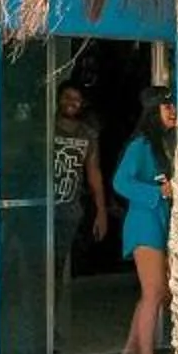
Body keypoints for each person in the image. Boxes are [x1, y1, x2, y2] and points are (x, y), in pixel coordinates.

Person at [112, 89, 176, 354]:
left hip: (158, 220)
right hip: (143, 221)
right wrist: (157, 192)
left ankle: (131, 349)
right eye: (166, 106)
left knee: (154, 292)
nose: (173, 110)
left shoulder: (163, 143)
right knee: (155, 292)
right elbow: (120, 182)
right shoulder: (140, 145)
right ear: (153, 111)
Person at [49, 78, 110, 287]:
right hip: (40, 208)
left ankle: (52, 313)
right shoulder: (45, 128)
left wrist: (101, 212)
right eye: (67, 97)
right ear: (57, 99)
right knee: (35, 265)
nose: (71, 102)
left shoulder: (87, 134)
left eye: (77, 99)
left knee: (56, 266)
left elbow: (94, 173)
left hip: (68, 210)